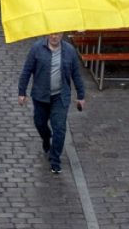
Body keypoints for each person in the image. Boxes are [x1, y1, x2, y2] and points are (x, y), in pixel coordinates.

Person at [18, 33, 86, 174]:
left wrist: (81, 95)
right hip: (40, 95)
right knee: (40, 123)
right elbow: (27, 70)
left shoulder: (69, 51)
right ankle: (46, 137)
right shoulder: (37, 48)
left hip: (60, 96)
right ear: (48, 34)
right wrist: (22, 92)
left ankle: (55, 159)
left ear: (62, 35)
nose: (54, 37)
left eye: (58, 34)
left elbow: (76, 74)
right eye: (52, 34)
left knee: (60, 128)